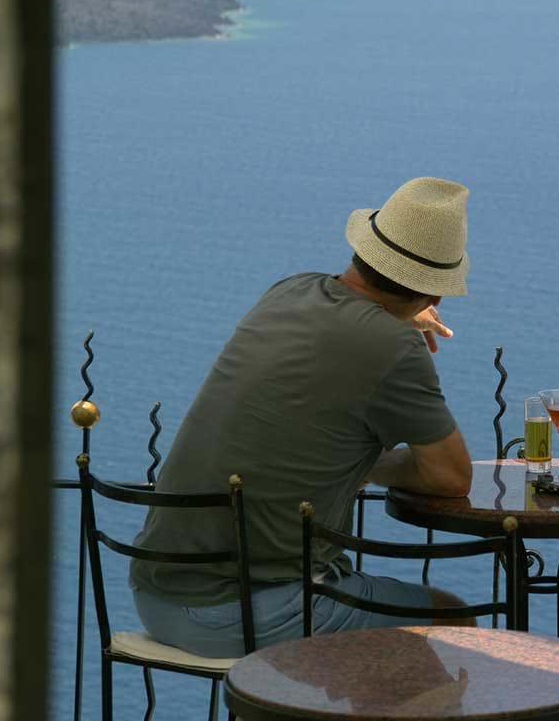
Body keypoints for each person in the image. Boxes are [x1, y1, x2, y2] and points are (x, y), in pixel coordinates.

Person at [130, 176, 476, 658]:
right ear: (435, 295)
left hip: (156, 594)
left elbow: (351, 324)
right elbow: (451, 477)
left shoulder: (289, 291)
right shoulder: (394, 346)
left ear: (364, 250)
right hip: (237, 611)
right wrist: (374, 467)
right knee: (453, 618)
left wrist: (396, 318)